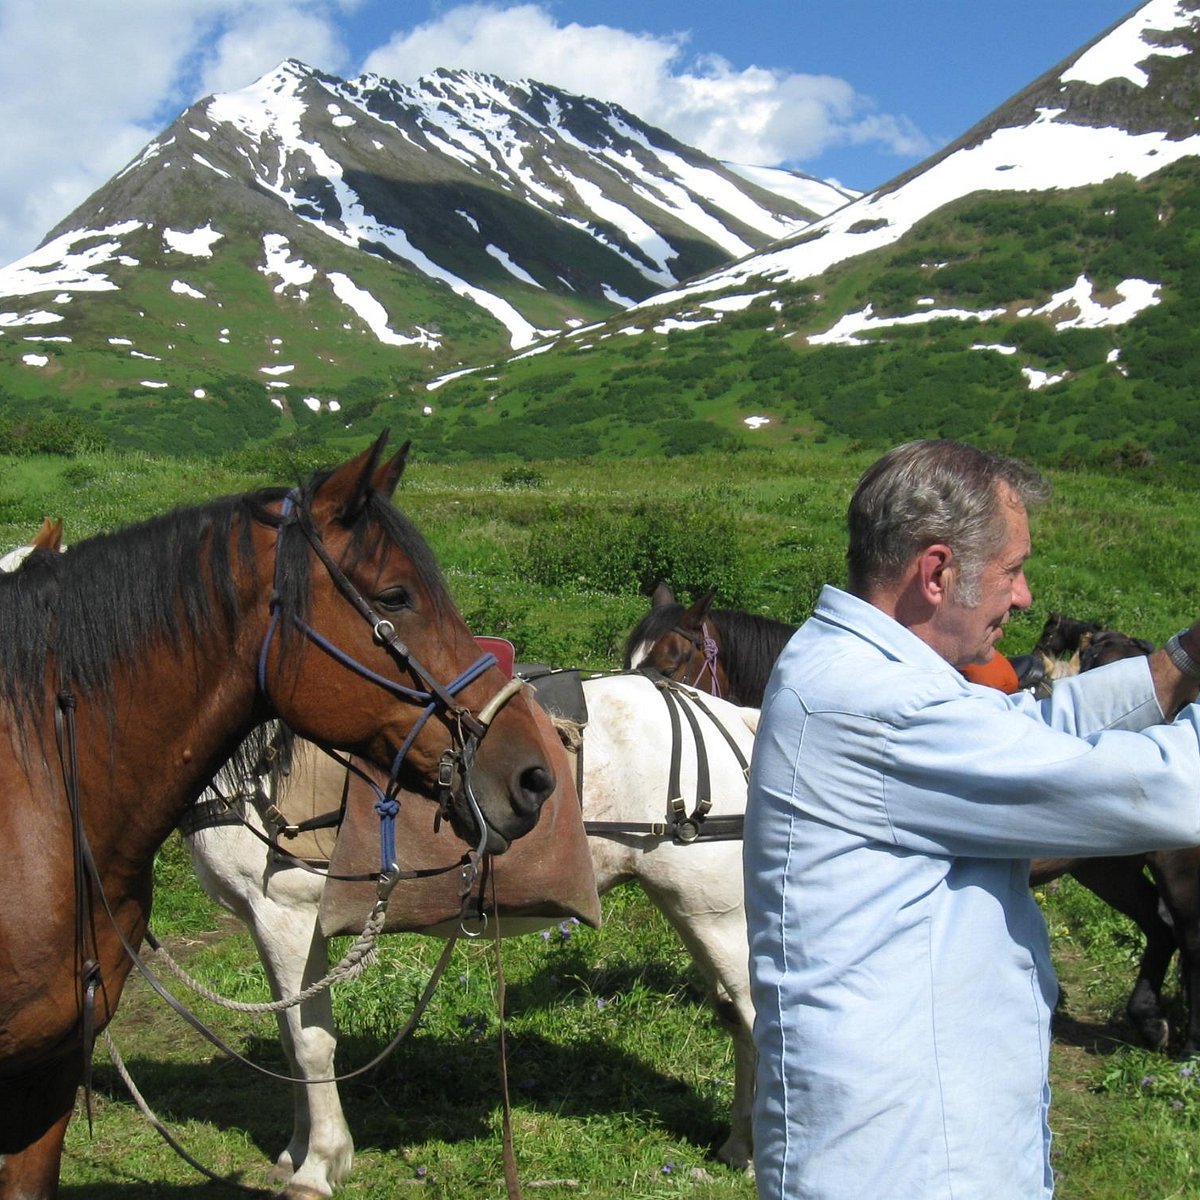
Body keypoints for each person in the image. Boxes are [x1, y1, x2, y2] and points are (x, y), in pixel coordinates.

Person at [743, 439, 1200, 1200]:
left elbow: (1031, 727)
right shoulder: (882, 707)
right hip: (910, 1165)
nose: (1022, 598)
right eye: (1012, 570)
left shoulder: (855, 671)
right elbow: (1164, 792)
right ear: (936, 572)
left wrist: (1181, 661)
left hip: (915, 1145)